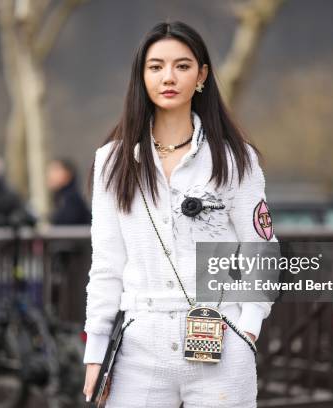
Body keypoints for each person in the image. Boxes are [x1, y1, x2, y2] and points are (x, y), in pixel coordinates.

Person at [82, 21, 278, 407]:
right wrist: (95, 352)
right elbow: (106, 266)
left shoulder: (235, 159)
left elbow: (261, 250)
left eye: (182, 66)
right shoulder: (113, 161)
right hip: (139, 347)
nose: (168, 77)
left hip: (221, 338)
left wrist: (248, 329)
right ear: (141, 75)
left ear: (201, 74)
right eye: (155, 67)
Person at [47, 158, 91, 225]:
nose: (51, 175)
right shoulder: (61, 198)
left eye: (56, 170)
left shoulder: (72, 199)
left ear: (68, 174)